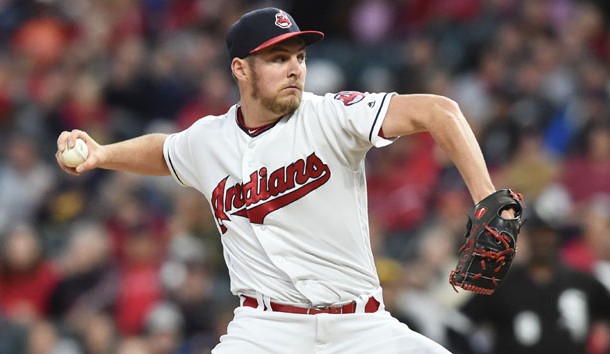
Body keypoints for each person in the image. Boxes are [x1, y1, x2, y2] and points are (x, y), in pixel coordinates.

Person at [56, 7, 516, 354]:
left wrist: (486, 198)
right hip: (264, 332)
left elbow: (440, 111)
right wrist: (102, 154)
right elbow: (163, 151)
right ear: (240, 69)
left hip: (361, 328)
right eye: (278, 58)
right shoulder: (208, 139)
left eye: (299, 56)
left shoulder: (332, 116)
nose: (295, 67)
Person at [451, 209, 610, 354]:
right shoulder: (503, 283)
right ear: (527, 237)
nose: (543, 241)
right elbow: (459, 323)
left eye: (548, 234)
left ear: (558, 238)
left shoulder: (584, 283)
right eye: (537, 234)